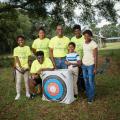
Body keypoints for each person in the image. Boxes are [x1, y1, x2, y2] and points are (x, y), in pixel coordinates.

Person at [82, 30, 98, 104]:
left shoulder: (93, 44)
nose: (86, 37)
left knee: (91, 81)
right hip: (84, 65)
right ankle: (88, 95)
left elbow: (95, 57)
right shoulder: (83, 43)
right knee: (86, 81)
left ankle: (91, 98)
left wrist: (95, 68)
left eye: (88, 35)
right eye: (85, 36)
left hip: (91, 65)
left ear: (90, 36)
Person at [13, 35, 32, 100]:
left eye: (22, 40)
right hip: (19, 67)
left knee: (26, 81)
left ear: (24, 41)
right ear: (17, 42)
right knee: (18, 81)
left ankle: (27, 93)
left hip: (26, 67)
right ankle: (18, 94)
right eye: (19, 40)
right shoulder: (15, 49)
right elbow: (16, 58)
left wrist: (28, 66)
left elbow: (29, 57)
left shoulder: (27, 48)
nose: (21, 41)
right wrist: (20, 67)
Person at [71, 24, 85, 92]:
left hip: (83, 60)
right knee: (76, 74)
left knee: (83, 75)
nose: (77, 32)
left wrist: (82, 60)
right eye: (75, 31)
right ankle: (78, 88)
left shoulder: (84, 38)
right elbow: (71, 49)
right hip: (75, 60)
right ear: (74, 32)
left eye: (78, 31)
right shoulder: (72, 39)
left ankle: (84, 88)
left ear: (80, 30)